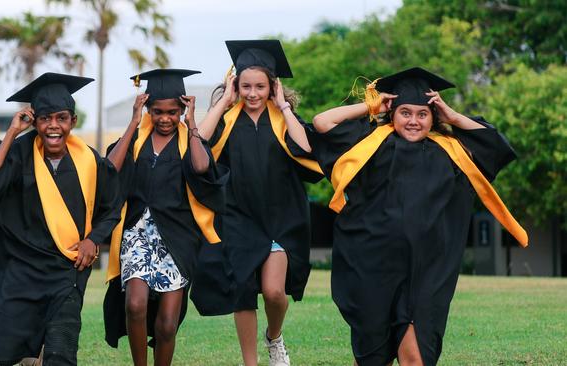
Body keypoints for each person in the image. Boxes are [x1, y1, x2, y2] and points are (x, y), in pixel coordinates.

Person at [311, 67, 528, 366]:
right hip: (373, 267)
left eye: (422, 114)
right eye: (405, 112)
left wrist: (451, 116)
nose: (413, 121)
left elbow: (496, 145)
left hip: (426, 273)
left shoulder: (451, 151)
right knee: (373, 357)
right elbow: (322, 122)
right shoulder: (371, 142)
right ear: (393, 112)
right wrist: (371, 107)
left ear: (433, 116)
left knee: (416, 358)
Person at [0, 72, 121, 365]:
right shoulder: (19, 153)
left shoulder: (89, 160)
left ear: (73, 121)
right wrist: (13, 132)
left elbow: (111, 206)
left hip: (67, 269)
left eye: (61, 118)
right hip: (21, 269)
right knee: (16, 348)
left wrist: (93, 239)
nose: (53, 126)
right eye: (45, 118)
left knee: (61, 349)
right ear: (35, 121)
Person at [195, 40, 323, 366]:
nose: (252, 93)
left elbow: (307, 147)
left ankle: (274, 337)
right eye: (246, 86)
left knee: (274, 293)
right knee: (242, 292)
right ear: (236, 85)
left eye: (261, 87)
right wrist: (224, 101)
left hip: (281, 219)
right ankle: (250, 362)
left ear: (272, 87)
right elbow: (199, 142)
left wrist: (284, 107)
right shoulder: (228, 118)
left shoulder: (282, 119)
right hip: (238, 218)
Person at [102, 69, 228, 366]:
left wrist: (193, 122)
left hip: (178, 237)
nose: (165, 118)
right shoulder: (136, 139)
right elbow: (110, 166)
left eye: (173, 112)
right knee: (134, 305)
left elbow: (200, 167)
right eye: (157, 111)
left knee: (167, 324)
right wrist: (134, 122)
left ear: (182, 110)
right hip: (137, 232)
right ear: (148, 109)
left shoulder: (188, 141)